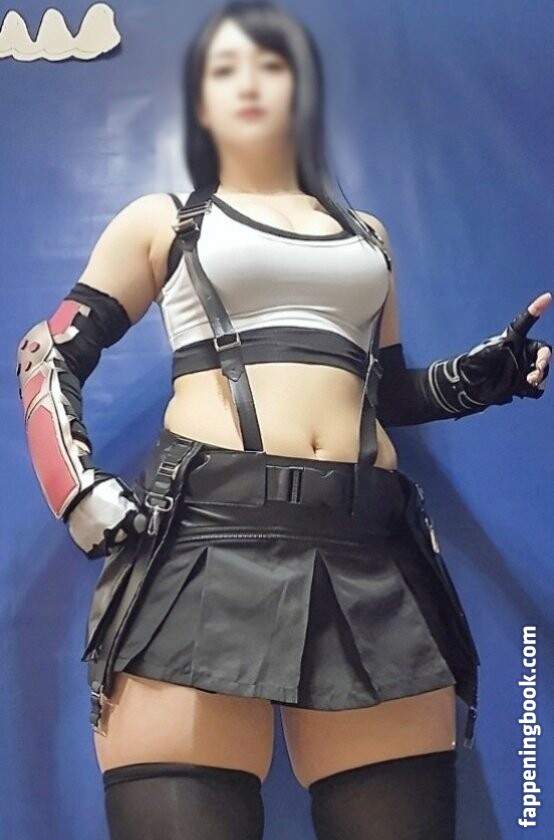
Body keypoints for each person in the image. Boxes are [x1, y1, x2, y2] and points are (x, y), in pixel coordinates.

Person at [16, 2, 551, 838]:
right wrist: (78, 494)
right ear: (200, 101)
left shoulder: (366, 236)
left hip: (370, 553)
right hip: (203, 545)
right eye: (224, 68)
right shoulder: (165, 220)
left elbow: (386, 392)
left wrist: (476, 381)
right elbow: (48, 355)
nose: (250, 82)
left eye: (271, 63)